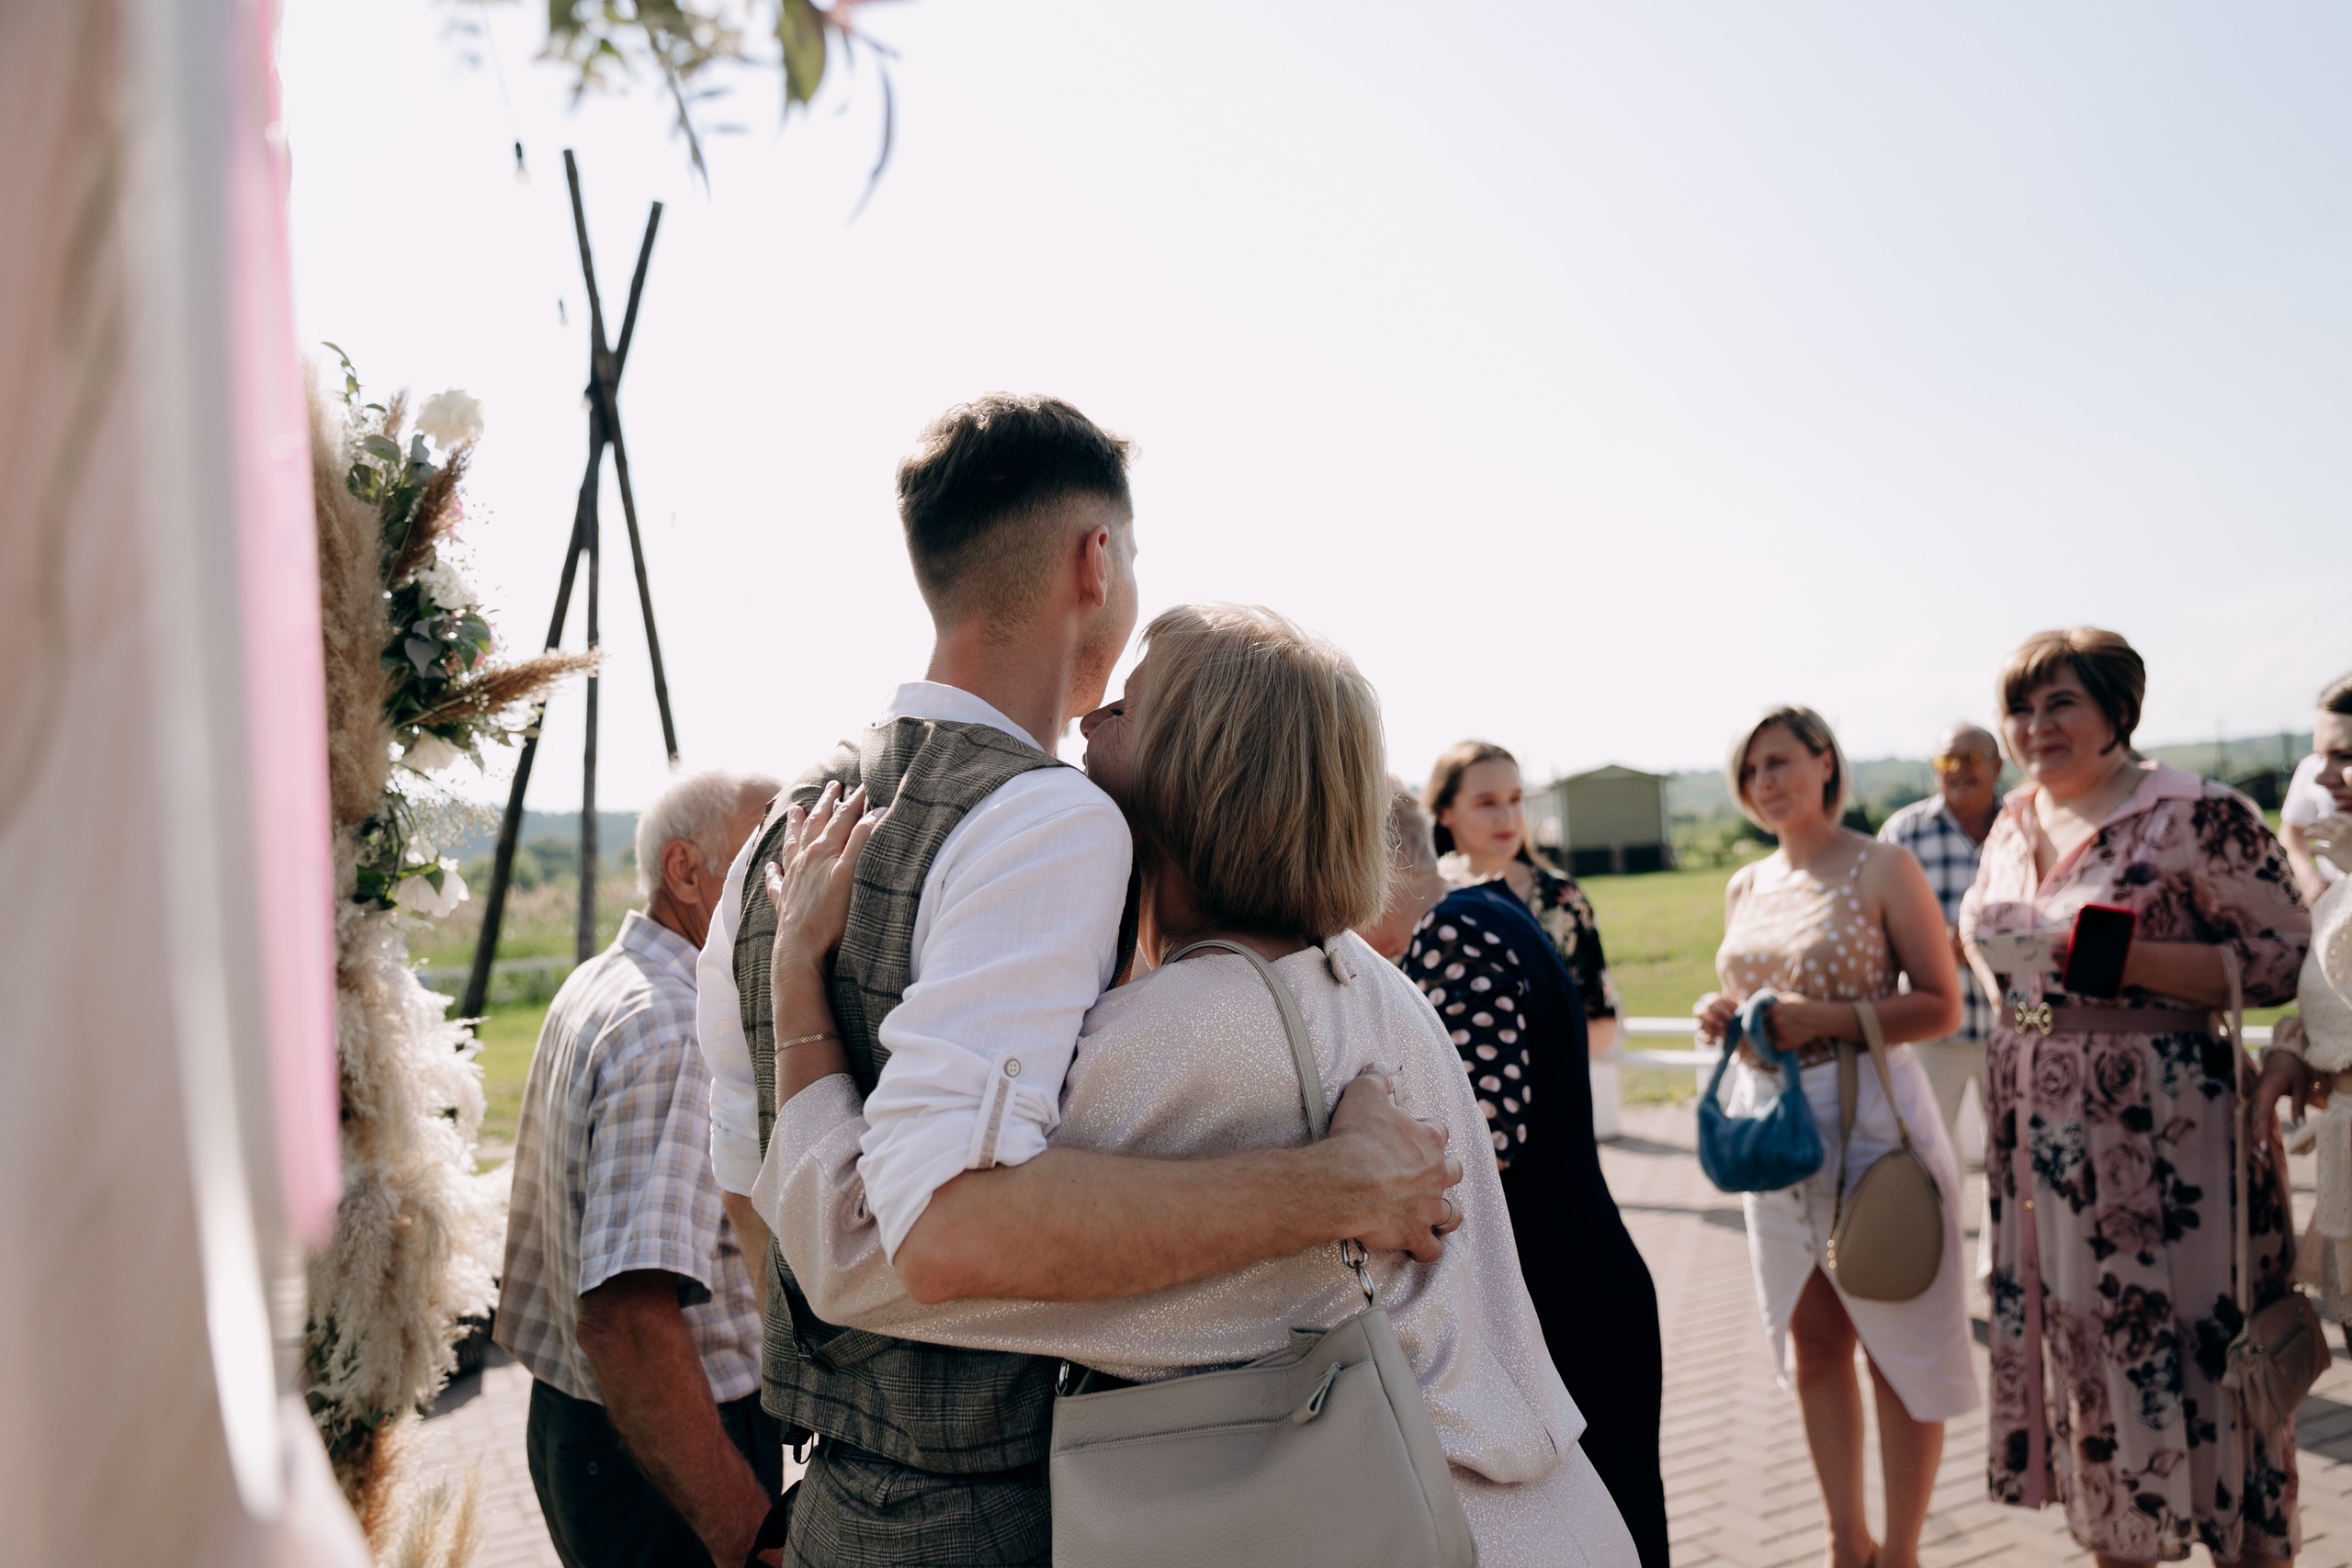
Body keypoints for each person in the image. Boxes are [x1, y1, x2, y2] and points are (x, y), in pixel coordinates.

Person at [695, 399, 1458, 1567]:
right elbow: (943, 1228)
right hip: (1012, 1509)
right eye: (1134, 557)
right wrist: (1334, 1188)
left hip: (837, 1498)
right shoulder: (1052, 818)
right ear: (1096, 560)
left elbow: (749, 1182)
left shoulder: (781, 829)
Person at [755, 603, 1638, 1567]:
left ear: (1197, 774)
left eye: (1127, 709)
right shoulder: (1372, 986)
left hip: (1407, 1533)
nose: (1088, 719)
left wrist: (795, 975)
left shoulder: (1192, 1040)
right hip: (1545, 1519)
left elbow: (853, 1251)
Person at [1962, 626, 2312, 1566]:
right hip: (2044, 1141)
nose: (2036, 725)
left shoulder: (2198, 812)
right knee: (2090, 1351)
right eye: (2020, 708)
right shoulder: (2010, 819)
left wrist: (2130, 962)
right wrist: (2019, 1010)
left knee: (2204, 1347)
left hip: (2174, 1138)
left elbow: (2289, 959)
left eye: (2061, 703)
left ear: (2119, 709)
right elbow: (1979, 941)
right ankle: (2122, 1539)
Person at [1695, 705, 1976, 1568]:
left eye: (1779, 761)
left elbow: (1942, 1004)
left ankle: (1903, 1552)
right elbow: (1757, 997)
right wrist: (1726, 1017)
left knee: (1899, 1350)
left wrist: (1826, 1017)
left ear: (1825, 762)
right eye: (1750, 771)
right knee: (1816, 1345)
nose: (1765, 782)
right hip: (1776, 1125)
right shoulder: (1746, 884)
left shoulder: (1882, 864)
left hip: (1873, 1121)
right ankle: (1844, 1542)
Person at [495, 768, 783, 1568]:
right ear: (684, 870)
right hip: (673, 1450)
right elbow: (626, 1317)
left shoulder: (600, 981)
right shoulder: (680, 1029)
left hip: (589, 1426)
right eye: (770, 848)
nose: (793, 877)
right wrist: (745, 1532)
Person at [1383, 784, 1669, 1567]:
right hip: (1589, 1269)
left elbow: (1486, 1143)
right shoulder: (1495, 909)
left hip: (1559, 1286)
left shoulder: (1452, 934)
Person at [1424, 740, 1624, 1055]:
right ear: (1443, 812)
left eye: (1515, 799)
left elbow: (1602, 1021)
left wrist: (1514, 1059)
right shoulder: (1423, 901)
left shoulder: (1562, 898)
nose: (1507, 816)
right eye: (1487, 803)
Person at [1877, 724, 2002, 1151]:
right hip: (1931, 1034)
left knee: (2014, 1160)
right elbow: (1872, 925)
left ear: (1997, 767)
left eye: (1972, 759)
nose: (1958, 769)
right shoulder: (1902, 834)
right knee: (1926, 1159)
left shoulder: (2025, 824)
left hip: (2012, 1024)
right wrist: (1926, 947)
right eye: (1948, 760)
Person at [2281, 673, 2352, 910]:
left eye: (2345, 756)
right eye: (2320, 756)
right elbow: (2292, 832)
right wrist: (2309, 878)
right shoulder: (2311, 770)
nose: (2321, 778)